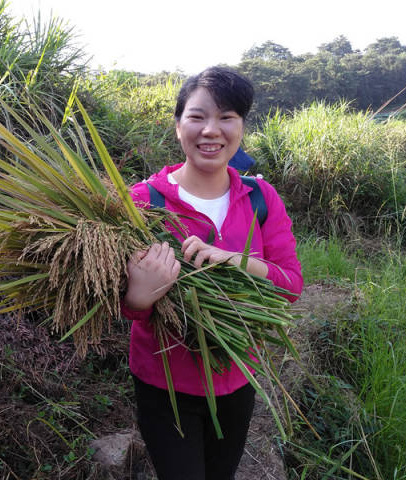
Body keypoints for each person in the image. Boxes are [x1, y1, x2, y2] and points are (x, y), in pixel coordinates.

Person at [121, 66, 303, 480]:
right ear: (178, 126)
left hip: (238, 376)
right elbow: (121, 303)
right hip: (165, 385)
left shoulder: (260, 197)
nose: (211, 130)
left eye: (226, 117)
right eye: (198, 117)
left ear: (241, 127)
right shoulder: (141, 202)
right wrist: (137, 298)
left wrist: (233, 259)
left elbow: (290, 286)